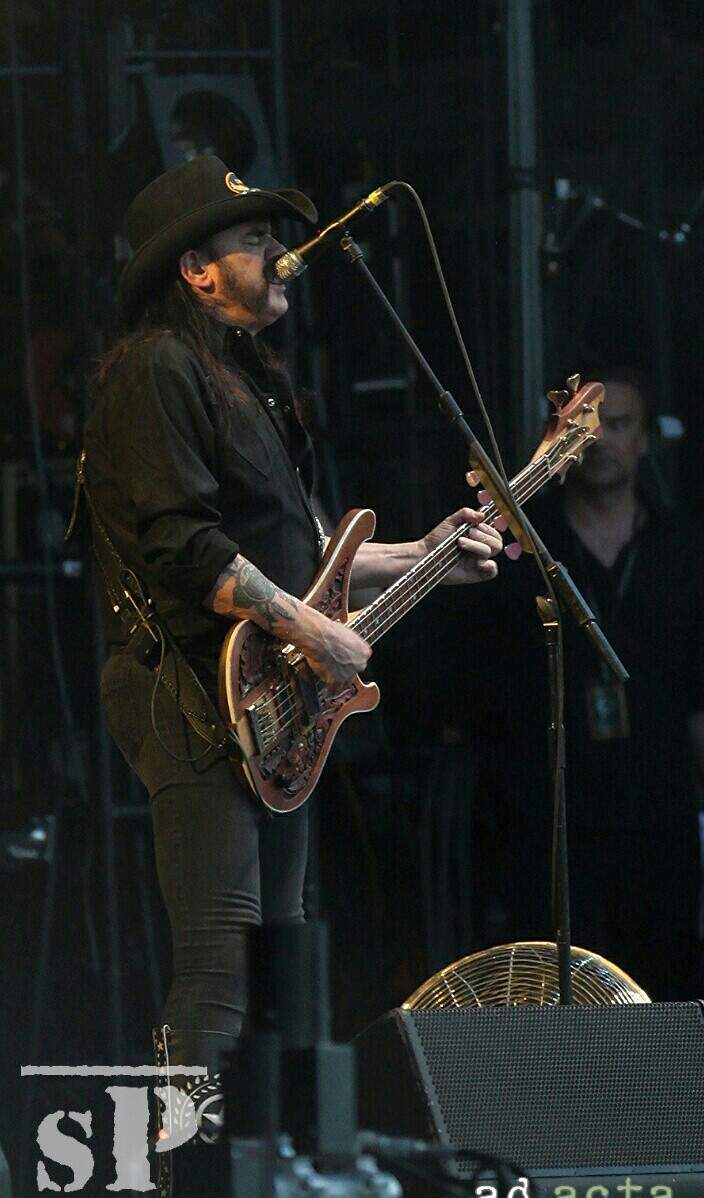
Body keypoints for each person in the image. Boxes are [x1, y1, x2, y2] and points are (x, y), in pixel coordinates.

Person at [82, 155, 503, 1094]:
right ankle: (192, 1164)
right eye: (255, 238)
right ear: (197, 270)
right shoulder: (157, 368)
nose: (281, 253)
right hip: (188, 687)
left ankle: (270, 1159)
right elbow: (185, 547)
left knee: (284, 949)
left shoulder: (245, 378)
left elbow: (306, 554)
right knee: (221, 957)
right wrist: (313, 633)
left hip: (262, 690)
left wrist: (425, 552)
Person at [465, 366, 704, 999]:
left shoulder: (682, 549)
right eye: (585, 428)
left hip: (660, 813)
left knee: (665, 991)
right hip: (550, 819)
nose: (600, 442)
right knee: (558, 996)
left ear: (645, 439)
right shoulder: (523, 547)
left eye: (617, 424)